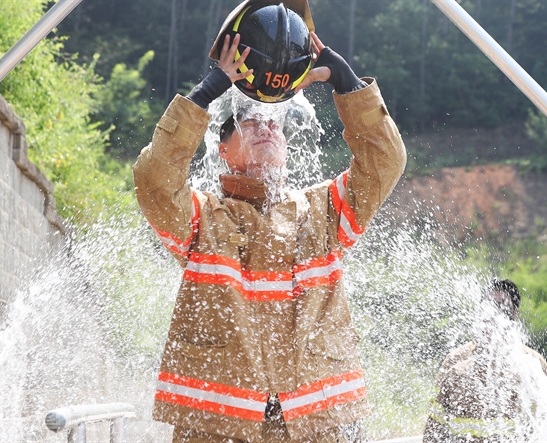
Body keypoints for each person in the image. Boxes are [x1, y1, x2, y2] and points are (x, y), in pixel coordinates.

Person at [132, 1, 406, 441]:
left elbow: (386, 162)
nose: (265, 127)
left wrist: (348, 84)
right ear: (223, 149)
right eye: (248, 121)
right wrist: (208, 91)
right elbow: (153, 180)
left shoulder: (324, 212)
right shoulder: (201, 219)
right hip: (220, 423)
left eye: (273, 125)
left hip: (316, 421)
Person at [422, 279, 547, 443]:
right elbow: (435, 423)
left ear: (515, 312)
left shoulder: (533, 363)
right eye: (489, 304)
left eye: (501, 304)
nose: (495, 311)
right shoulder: (456, 360)